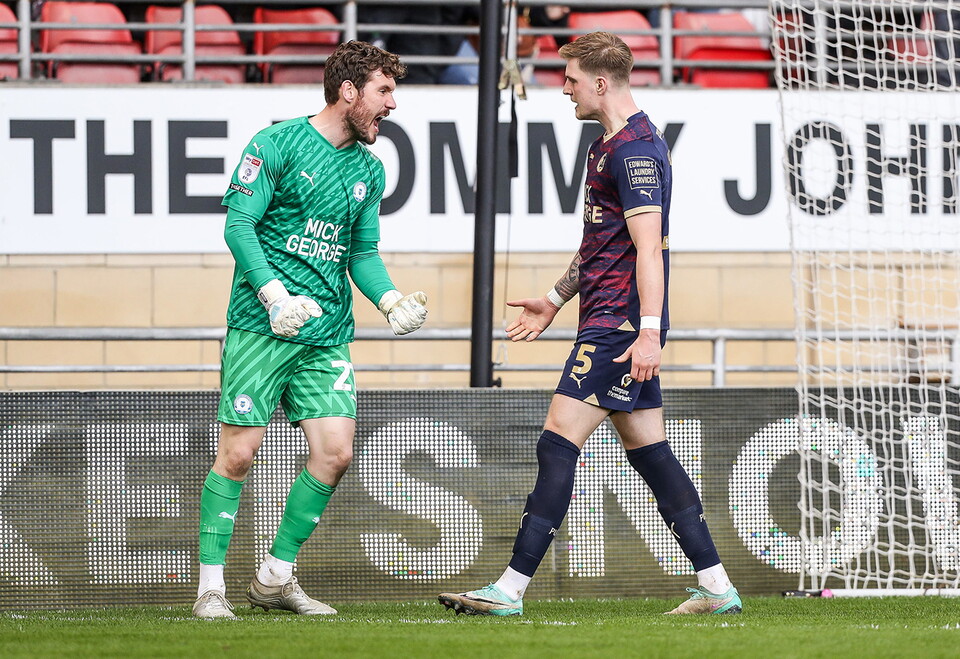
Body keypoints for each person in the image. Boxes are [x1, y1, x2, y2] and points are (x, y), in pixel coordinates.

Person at [438, 31, 740, 617]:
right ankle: (717, 587)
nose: (564, 89)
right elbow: (601, 244)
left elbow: (649, 249)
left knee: (557, 438)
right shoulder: (606, 147)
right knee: (650, 451)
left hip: (619, 325)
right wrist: (555, 298)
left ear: (601, 83)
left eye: (571, 79)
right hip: (606, 317)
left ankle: (510, 589)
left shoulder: (636, 151)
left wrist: (647, 331)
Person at [192, 40, 429, 619]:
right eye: (383, 91)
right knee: (239, 454)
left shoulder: (369, 170)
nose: (392, 103)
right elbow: (239, 227)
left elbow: (362, 254)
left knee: (335, 453)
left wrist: (390, 300)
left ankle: (275, 576)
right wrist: (273, 296)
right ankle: (210, 589)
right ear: (349, 91)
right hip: (261, 326)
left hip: (326, 335)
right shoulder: (275, 144)